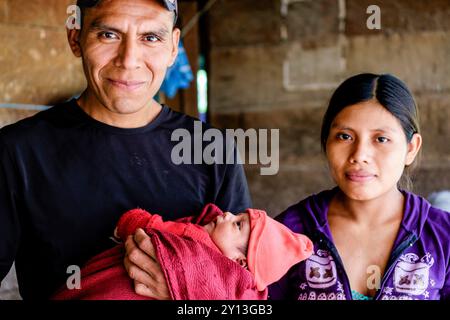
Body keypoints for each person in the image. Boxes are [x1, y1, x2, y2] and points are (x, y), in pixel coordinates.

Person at [0, 0, 251, 300]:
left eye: (150, 38)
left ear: (173, 47)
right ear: (75, 37)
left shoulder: (212, 149)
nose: (129, 60)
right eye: (108, 34)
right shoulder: (18, 151)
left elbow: (244, 297)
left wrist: (184, 291)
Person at [268, 73, 450, 300]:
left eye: (381, 139)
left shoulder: (443, 238)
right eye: (344, 136)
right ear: (326, 142)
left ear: (411, 148)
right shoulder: (287, 232)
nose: (359, 155)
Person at [52, 203, 313, 300]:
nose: (226, 213)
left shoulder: (195, 239)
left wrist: (128, 223)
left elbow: (146, 225)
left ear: (240, 262)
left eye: (237, 224)